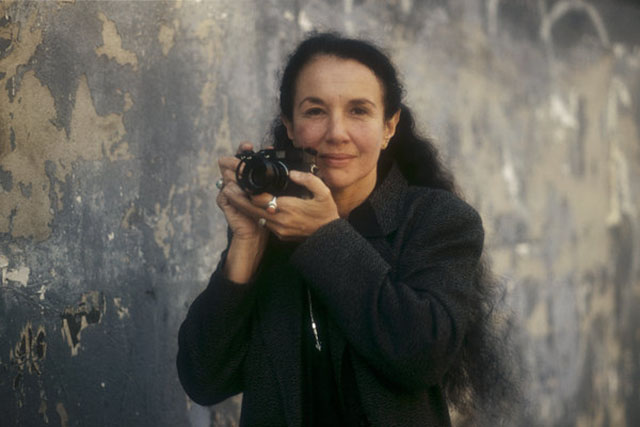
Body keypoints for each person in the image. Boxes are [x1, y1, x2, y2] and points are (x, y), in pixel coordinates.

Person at [177, 32, 517, 426]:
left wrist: (324, 236)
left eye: (359, 111)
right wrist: (246, 246)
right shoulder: (270, 222)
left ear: (389, 126)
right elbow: (204, 379)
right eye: (315, 111)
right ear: (290, 125)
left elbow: (421, 355)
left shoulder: (437, 220)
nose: (336, 132)